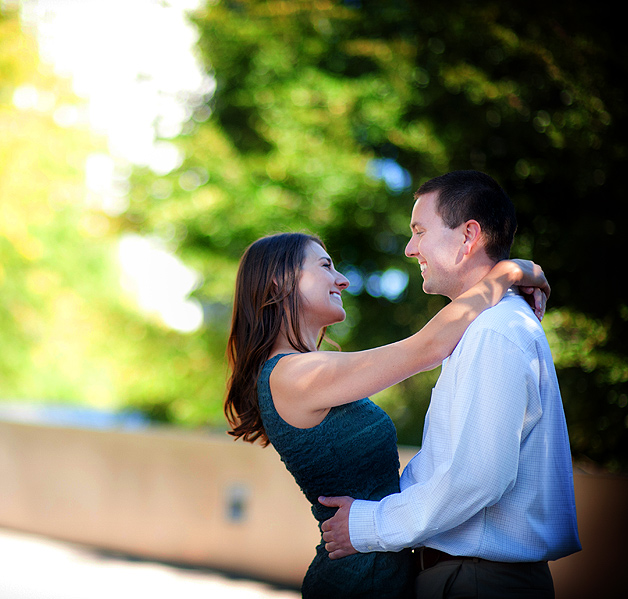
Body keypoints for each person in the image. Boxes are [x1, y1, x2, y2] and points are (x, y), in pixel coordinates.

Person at [225, 228, 549, 599]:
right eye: (326, 266)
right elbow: (426, 349)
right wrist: (508, 273)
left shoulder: (299, 372)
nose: (342, 280)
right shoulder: (293, 375)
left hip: (378, 572)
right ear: (279, 281)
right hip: (359, 580)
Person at [319, 170, 581, 599]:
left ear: (468, 236)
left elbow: (478, 477)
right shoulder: (484, 326)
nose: (409, 248)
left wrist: (369, 525)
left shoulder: (494, 330)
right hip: (469, 576)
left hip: (476, 581)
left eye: (419, 231)